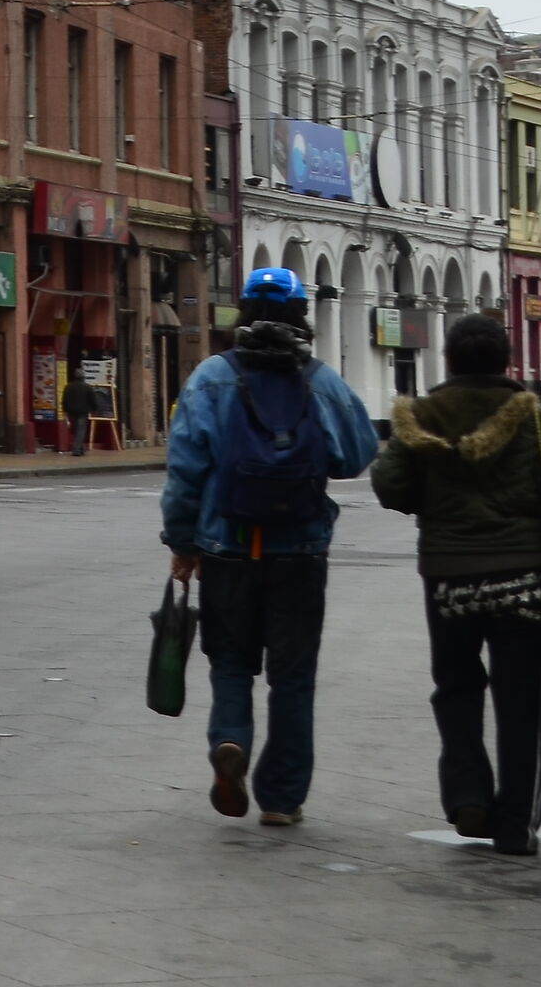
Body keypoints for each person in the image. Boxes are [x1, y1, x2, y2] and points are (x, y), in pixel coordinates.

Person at [370, 312, 541, 856]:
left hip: (448, 579)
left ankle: (468, 791)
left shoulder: (420, 419)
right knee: (520, 703)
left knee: (455, 687)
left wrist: (429, 500)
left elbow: (391, 486)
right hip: (522, 577)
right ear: (506, 362)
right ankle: (517, 826)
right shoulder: (537, 422)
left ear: (448, 361)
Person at [161, 268, 377, 828]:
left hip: (225, 546)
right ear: (300, 315)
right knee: (293, 675)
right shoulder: (319, 380)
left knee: (230, 662)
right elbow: (357, 452)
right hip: (300, 550)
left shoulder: (212, 377)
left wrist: (183, 543)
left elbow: (185, 468)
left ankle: (230, 740)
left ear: (243, 311)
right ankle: (281, 796)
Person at [63, 367, 93, 456]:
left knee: (76, 430)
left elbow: (65, 400)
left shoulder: (68, 387)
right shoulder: (87, 387)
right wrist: (94, 409)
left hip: (71, 412)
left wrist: (65, 411)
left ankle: (81, 448)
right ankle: (76, 450)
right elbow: (92, 400)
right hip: (82, 413)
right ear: (83, 377)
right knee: (81, 431)